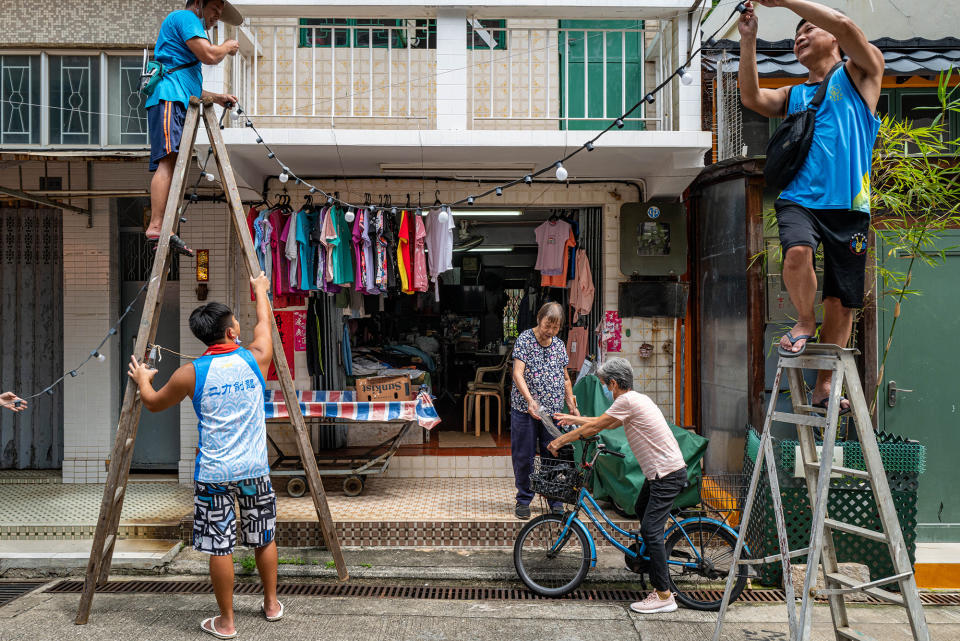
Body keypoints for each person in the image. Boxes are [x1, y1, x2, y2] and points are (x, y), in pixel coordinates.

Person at [738, 0, 883, 412]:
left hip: (850, 207)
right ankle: (804, 319)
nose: (799, 36)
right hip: (800, 199)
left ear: (832, 38)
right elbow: (751, 96)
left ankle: (824, 386)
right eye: (795, 34)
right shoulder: (795, 94)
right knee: (797, 254)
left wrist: (783, 1)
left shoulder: (863, 73)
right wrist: (748, 39)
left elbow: (843, 21)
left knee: (842, 301)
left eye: (807, 30)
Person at [127, 273, 281, 639]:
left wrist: (143, 378)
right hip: (255, 469)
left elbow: (152, 403)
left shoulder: (189, 373)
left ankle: (227, 623)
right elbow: (265, 324)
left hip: (213, 474)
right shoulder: (256, 359)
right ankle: (272, 604)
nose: (240, 326)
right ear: (231, 332)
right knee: (263, 536)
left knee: (220, 545)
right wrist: (260, 291)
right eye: (235, 323)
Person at [548, 357, 686, 614]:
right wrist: (572, 418)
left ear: (614, 383)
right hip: (661, 473)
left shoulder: (626, 401)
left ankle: (664, 594)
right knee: (641, 509)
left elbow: (599, 425)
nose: (606, 390)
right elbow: (605, 421)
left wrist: (560, 441)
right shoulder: (636, 400)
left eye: (606, 386)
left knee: (651, 529)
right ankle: (647, 561)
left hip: (665, 475)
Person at [145, 0, 242, 255]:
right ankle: (157, 226)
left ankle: (166, 228)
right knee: (167, 161)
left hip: (178, 97)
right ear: (199, 3)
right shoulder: (186, 18)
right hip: (168, 98)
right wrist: (227, 46)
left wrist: (218, 97)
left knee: (174, 163)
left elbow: (191, 87)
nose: (216, 17)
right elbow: (210, 56)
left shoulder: (184, 37)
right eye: (215, 10)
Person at [510, 301, 579, 520]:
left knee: (553, 454)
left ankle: (555, 499)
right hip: (525, 410)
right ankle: (523, 499)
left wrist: (572, 407)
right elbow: (517, 374)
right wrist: (530, 400)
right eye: (547, 325)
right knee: (524, 455)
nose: (549, 331)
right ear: (539, 318)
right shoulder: (525, 339)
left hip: (553, 412)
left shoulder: (558, 345)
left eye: (555, 327)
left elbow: (566, 378)